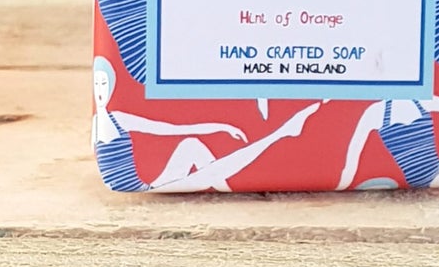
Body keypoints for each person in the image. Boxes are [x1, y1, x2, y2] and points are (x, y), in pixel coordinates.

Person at [92, 57, 319, 193]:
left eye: (105, 83)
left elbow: (172, 130)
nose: (101, 90)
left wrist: (221, 127)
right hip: (150, 184)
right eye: (98, 83)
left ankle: (277, 137)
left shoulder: (119, 118)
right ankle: (280, 134)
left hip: (158, 180)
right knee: (210, 171)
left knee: (192, 146)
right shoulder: (115, 117)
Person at [336, 94, 439, 189]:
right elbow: (353, 153)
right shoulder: (375, 111)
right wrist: (342, 182)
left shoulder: (421, 100)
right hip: (424, 175)